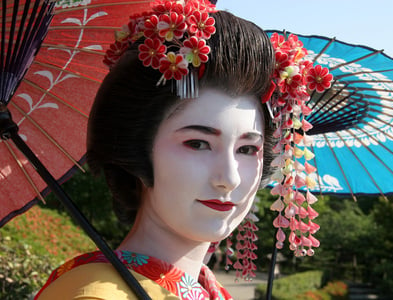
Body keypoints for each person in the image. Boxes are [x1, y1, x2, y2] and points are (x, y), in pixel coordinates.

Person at [35, 1, 276, 299]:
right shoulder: (94, 294)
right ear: (137, 148)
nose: (229, 178)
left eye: (248, 149)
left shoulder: (208, 290)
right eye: (198, 144)